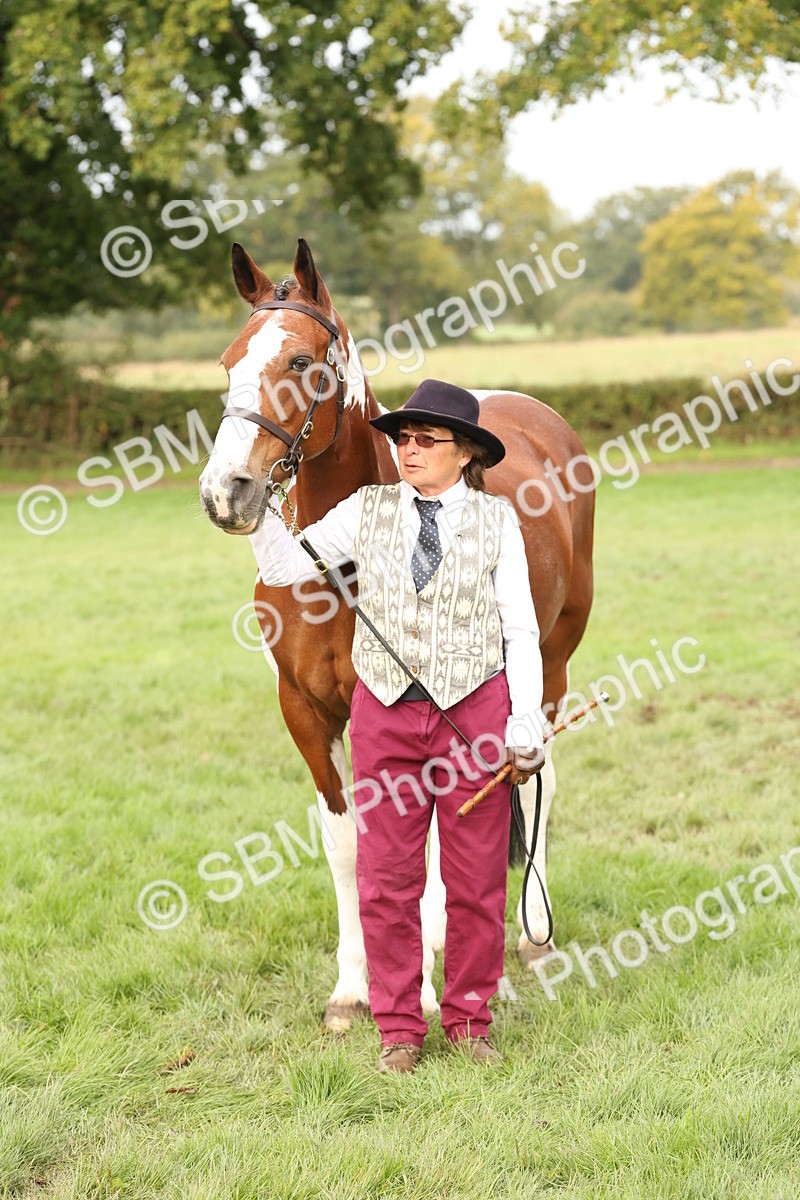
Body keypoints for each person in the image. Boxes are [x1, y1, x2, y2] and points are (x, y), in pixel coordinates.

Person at [249, 379, 544, 1073]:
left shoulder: (498, 522)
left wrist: (527, 718)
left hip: (475, 711)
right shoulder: (365, 510)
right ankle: (400, 1030)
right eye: (402, 439)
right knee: (386, 878)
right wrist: (259, 507)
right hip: (382, 714)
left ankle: (471, 1024)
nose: (408, 450)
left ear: (465, 451)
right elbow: (287, 565)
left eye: (425, 440)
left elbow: (521, 630)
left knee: (474, 880)